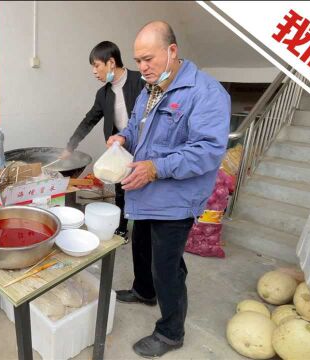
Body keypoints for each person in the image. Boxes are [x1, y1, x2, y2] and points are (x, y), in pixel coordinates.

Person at [107, 21, 230, 357]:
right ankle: (144, 291)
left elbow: (207, 150)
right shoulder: (151, 90)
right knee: (142, 247)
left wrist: (155, 167)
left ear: (172, 51)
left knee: (167, 264)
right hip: (144, 189)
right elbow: (135, 127)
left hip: (175, 198)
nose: (142, 67)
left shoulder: (206, 93)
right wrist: (123, 138)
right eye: (138, 61)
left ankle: (171, 331)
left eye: (148, 58)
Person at [62, 41, 145, 238]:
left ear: (111, 63)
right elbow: (89, 120)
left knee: (143, 188)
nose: (94, 71)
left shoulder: (140, 81)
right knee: (120, 188)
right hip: (118, 148)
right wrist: (70, 146)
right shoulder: (103, 93)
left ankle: (144, 229)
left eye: (96, 65)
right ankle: (123, 227)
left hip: (142, 145)